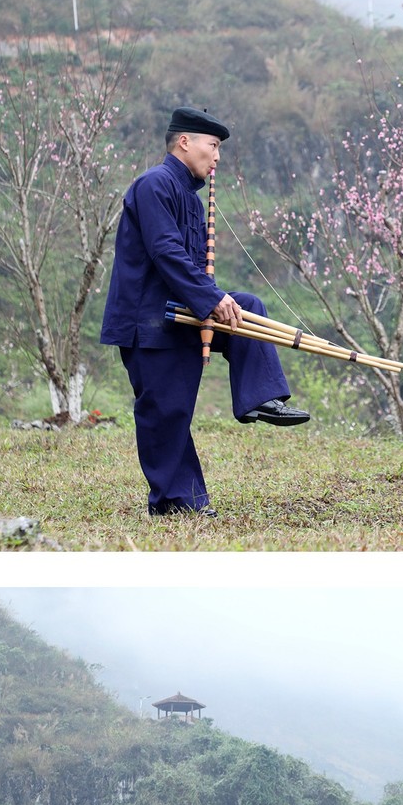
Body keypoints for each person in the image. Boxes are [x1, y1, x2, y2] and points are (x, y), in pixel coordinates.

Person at [101, 105, 309, 517]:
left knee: (247, 305)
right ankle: (176, 502)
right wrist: (211, 299)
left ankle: (261, 398)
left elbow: (193, 267)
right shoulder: (153, 185)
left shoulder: (192, 202)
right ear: (184, 141)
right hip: (149, 321)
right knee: (166, 412)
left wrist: (216, 299)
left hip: (184, 311)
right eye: (212, 146)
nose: (217, 158)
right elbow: (166, 252)